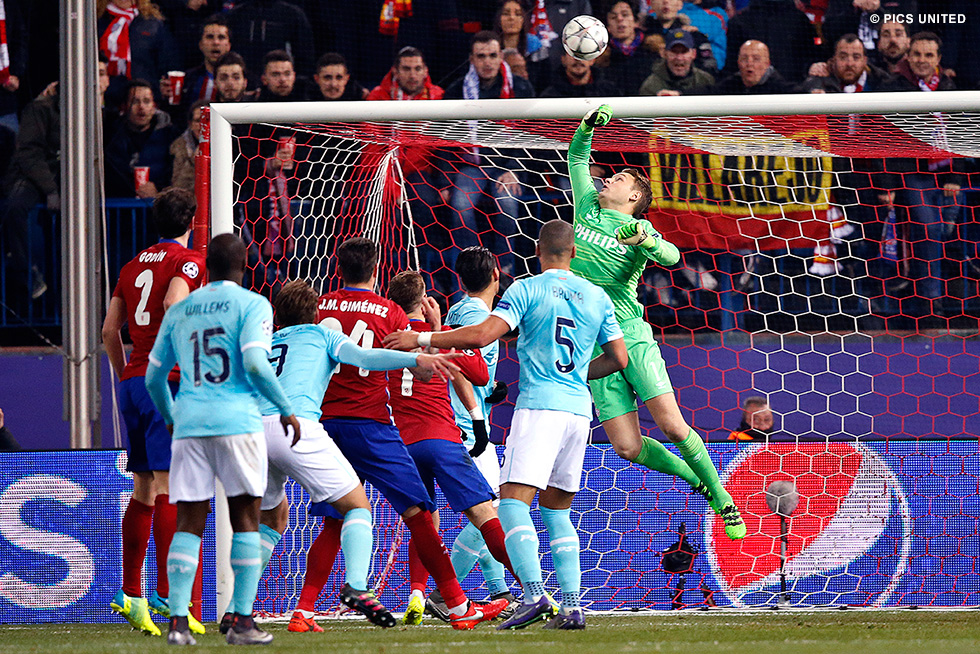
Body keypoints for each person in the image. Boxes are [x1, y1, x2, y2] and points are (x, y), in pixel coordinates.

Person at [383, 219, 629, 630]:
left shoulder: (527, 289)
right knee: (556, 512)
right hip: (578, 412)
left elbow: (480, 336)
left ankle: (532, 595)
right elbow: (619, 359)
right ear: (574, 252)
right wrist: (577, 374)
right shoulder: (597, 295)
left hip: (538, 409)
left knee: (511, 504)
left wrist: (422, 339)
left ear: (537, 250)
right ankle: (572, 607)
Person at [291, 237, 508, 631]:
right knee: (421, 514)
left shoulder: (320, 307)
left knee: (333, 522)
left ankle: (303, 611)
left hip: (325, 427)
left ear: (338, 267)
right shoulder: (389, 312)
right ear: (375, 269)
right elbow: (426, 372)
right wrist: (429, 344)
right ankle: (461, 605)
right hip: (374, 427)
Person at [565, 104, 746, 540]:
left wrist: (645, 239)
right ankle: (694, 477)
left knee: (671, 426)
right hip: (592, 344)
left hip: (629, 334)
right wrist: (588, 125)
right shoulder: (587, 207)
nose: (609, 179)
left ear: (633, 199)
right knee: (625, 446)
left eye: (621, 179)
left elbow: (673, 256)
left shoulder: (640, 229)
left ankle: (722, 498)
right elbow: (576, 157)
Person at [252, 279, 461, 632]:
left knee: (271, 521)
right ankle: (363, 588)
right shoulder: (322, 334)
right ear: (315, 313)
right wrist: (417, 355)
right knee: (363, 508)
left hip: (254, 430)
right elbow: (365, 357)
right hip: (319, 425)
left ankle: (240, 609)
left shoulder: (266, 342)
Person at [145, 233, 301, 646]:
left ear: (207, 265)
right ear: (245, 263)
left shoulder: (181, 310)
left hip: (191, 422)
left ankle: (178, 623)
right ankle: (243, 622)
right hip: (238, 420)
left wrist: (171, 417)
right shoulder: (253, 304)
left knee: (189, 522)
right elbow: (253, 360)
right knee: (246, 518)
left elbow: (153, 376)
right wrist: (284, 406)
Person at [384, 271, 519, 626]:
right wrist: (439, 328)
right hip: (442, 438)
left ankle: (417, 593)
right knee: (486, 514)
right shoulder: (437, 336)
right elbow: (476, 373)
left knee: (424, 522)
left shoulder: (387, 341)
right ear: (424, 299)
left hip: (401, 443)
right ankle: (530, 590)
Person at [102, 188, 207, 638]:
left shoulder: (130, 266)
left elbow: (110, 329)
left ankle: (131, 593)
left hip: (131, 381)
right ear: (191, 221)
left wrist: (128, 372)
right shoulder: (190, 261)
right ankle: (169, 594)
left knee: (144, 487)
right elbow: (172, 302)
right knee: (169, 486)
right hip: (166, 380)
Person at [443, 31, 535, 283]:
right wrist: (443, 181)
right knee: (461, 205)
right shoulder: (456, 90)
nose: (487, 62)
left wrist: (515, 168)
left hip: (508, 165)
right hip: (472, 165)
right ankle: (474, 271)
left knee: (507, 204)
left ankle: (504, 270)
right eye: (481, 56)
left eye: (492, 55)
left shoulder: (520, 87)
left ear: (500, 56)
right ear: (471, 59)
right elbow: (443, 140)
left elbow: (531, 135)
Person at [103, 79, 177, 199]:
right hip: (120, 207)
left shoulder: (169, 136)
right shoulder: (111, 136)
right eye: (135, 101)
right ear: (125, 106)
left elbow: (176, 175)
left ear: (154, 106)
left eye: (146, 101)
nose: (141, 107)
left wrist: (158, 190)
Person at [98, 0, 178, 107]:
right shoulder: (96, 21)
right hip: (106, 98)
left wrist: (160, 85)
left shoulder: (152, 23)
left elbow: (166, 62)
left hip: (143, 99)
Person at [722, 0, 820, 84]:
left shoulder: (800, 21)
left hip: (791, 95)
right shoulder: (739, 22)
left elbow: (809, 60)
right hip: (750, 96)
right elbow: (732, 66)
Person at [226, 0, 315, 78]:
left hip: (281, 86)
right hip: (242, 86)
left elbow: (305, 58)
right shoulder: (235, 15)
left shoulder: (293, 15)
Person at [162, 14, 232, 109]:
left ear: (228, 45)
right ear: (201, 45)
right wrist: (164, 97)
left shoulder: (245, 80)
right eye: (210, 37)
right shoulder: (187, 80)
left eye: (221, 37)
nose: (216, 42)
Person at [595, 1, 660, 96]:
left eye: (625, 15)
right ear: (608, 27)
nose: (620, 19)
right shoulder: (602, 60)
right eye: (613, 17)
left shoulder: (653, 51)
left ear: (636, 22)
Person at [643, 0, 717, 74]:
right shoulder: (641, 37)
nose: (665, 1)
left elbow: (709, 67)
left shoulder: (695, 36)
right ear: (651, 4)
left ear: (680, 4)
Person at [638, 29, 715, 96]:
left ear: (693, 54)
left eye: (684, 52)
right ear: (664, 54)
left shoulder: (706, 80)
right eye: (674, 52)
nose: (679, 57)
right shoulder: (650, 86)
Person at [712, 40, 795, 95]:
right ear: (738, 62)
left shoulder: (785, 92)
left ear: (767, 63)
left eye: (756, 59)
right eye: (744, 59)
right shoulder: (727, 87)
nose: (749, 63)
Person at [541, 51, 622, 97]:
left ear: (592, 60)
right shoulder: (550, 96)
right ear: (563, 59)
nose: (578, 59)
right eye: (572, 53)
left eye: (583, 53)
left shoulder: (611, 92)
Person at [169, 100, 205, 193]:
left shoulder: (227, 144)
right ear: (190, 124)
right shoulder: (178, 147)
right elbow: (178, 187)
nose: (203, 126)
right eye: (198, 121)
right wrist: (195, 161)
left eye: (207, 121)